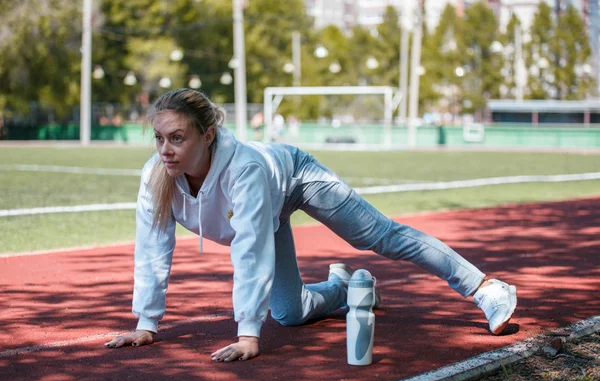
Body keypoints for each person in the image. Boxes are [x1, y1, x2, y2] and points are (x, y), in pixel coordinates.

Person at [104, 88, 517, 362]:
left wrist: (248, 333)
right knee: (288, 313)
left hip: (296, 178)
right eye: (159, 138)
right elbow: (153, 248)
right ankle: (349, 287)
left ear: (208, 134)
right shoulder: (154, 176)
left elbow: (250, 248)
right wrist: (146, 324)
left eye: (177, 138)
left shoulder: (242, 170)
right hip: (267, 205)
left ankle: (485, 288)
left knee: (376, 235)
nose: (165, 150)